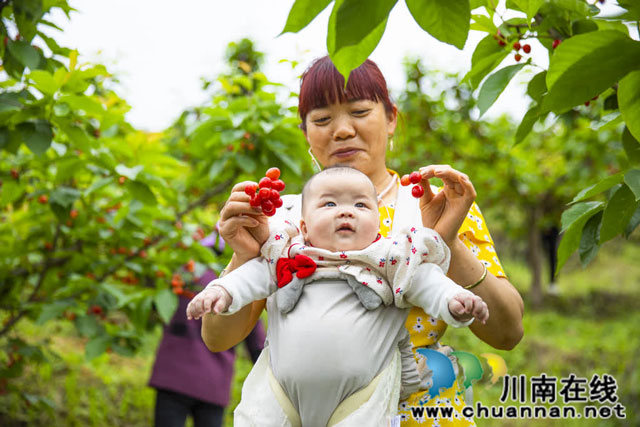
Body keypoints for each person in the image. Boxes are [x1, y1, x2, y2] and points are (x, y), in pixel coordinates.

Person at [202, 56, 524, 426]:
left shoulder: (435, 205)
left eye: (358, 111)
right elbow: (217, 338)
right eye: (322, 120)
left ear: (391, 118)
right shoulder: (284, 218)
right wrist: (244, 255)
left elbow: (508, 331)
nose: (341, 130)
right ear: (306, 131)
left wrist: (446, 240)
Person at [187, 166, 489, 426]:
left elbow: (427, 281)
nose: (346, 210)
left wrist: (453, 300)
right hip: (281, 392)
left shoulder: (389, 258)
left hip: (361, 396)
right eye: (329, 204)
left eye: (360, 205)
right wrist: (221, 292)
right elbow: (250, 277)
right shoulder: (286, 252)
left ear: (377, 227)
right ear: (304, 225)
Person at [149, 232, 266, 427]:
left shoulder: (181, 275)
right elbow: (256, 343)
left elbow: (156, 307)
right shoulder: (240, 286)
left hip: (173, 375)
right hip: (213, 383)